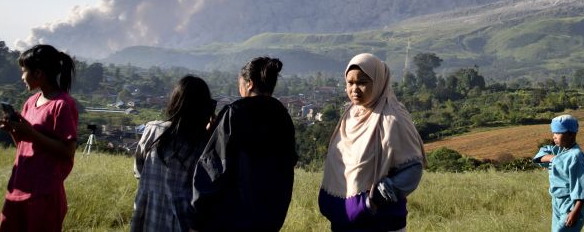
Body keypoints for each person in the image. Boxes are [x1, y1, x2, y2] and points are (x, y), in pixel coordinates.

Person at [319, 53, 427, 232]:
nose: (354, 89)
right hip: (344, 220)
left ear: (378, 82)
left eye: (362, 82)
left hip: (380, 222)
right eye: (350, 82)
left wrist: (375, 198)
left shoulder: (393, 119)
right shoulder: (350, 115)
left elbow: (413, 168)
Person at [192, 57, 296, 231]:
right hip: (270, 218)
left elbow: (212, 168)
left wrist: (196, 217)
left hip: (230, 219)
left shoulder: (235, 113)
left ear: (249, 84)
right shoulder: (283, 117)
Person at [0, 44, 79, 232]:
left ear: (38, 73)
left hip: (44, 193)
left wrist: (31, 133)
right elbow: (25, 146)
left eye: (23, 71)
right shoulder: (30, 103)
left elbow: (68, 151)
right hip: (19, 187)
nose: (21, 77)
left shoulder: (63, 105)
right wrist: (14, 130)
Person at [131, 75, 215, 232]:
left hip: (148, 215)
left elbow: (138, 170)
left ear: (175, 101)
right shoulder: (204, 143)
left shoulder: (153, 129)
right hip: (182, 221)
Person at [533, 114, 584, 232]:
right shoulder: (560, 150)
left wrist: (574, 213)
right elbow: (538, 157)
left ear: (571, 134)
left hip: (571, 205)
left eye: (558, 133)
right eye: (553, 133)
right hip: (557, 202)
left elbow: (582, 188)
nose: (554, 137)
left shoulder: (575, 156)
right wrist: (555, 159)